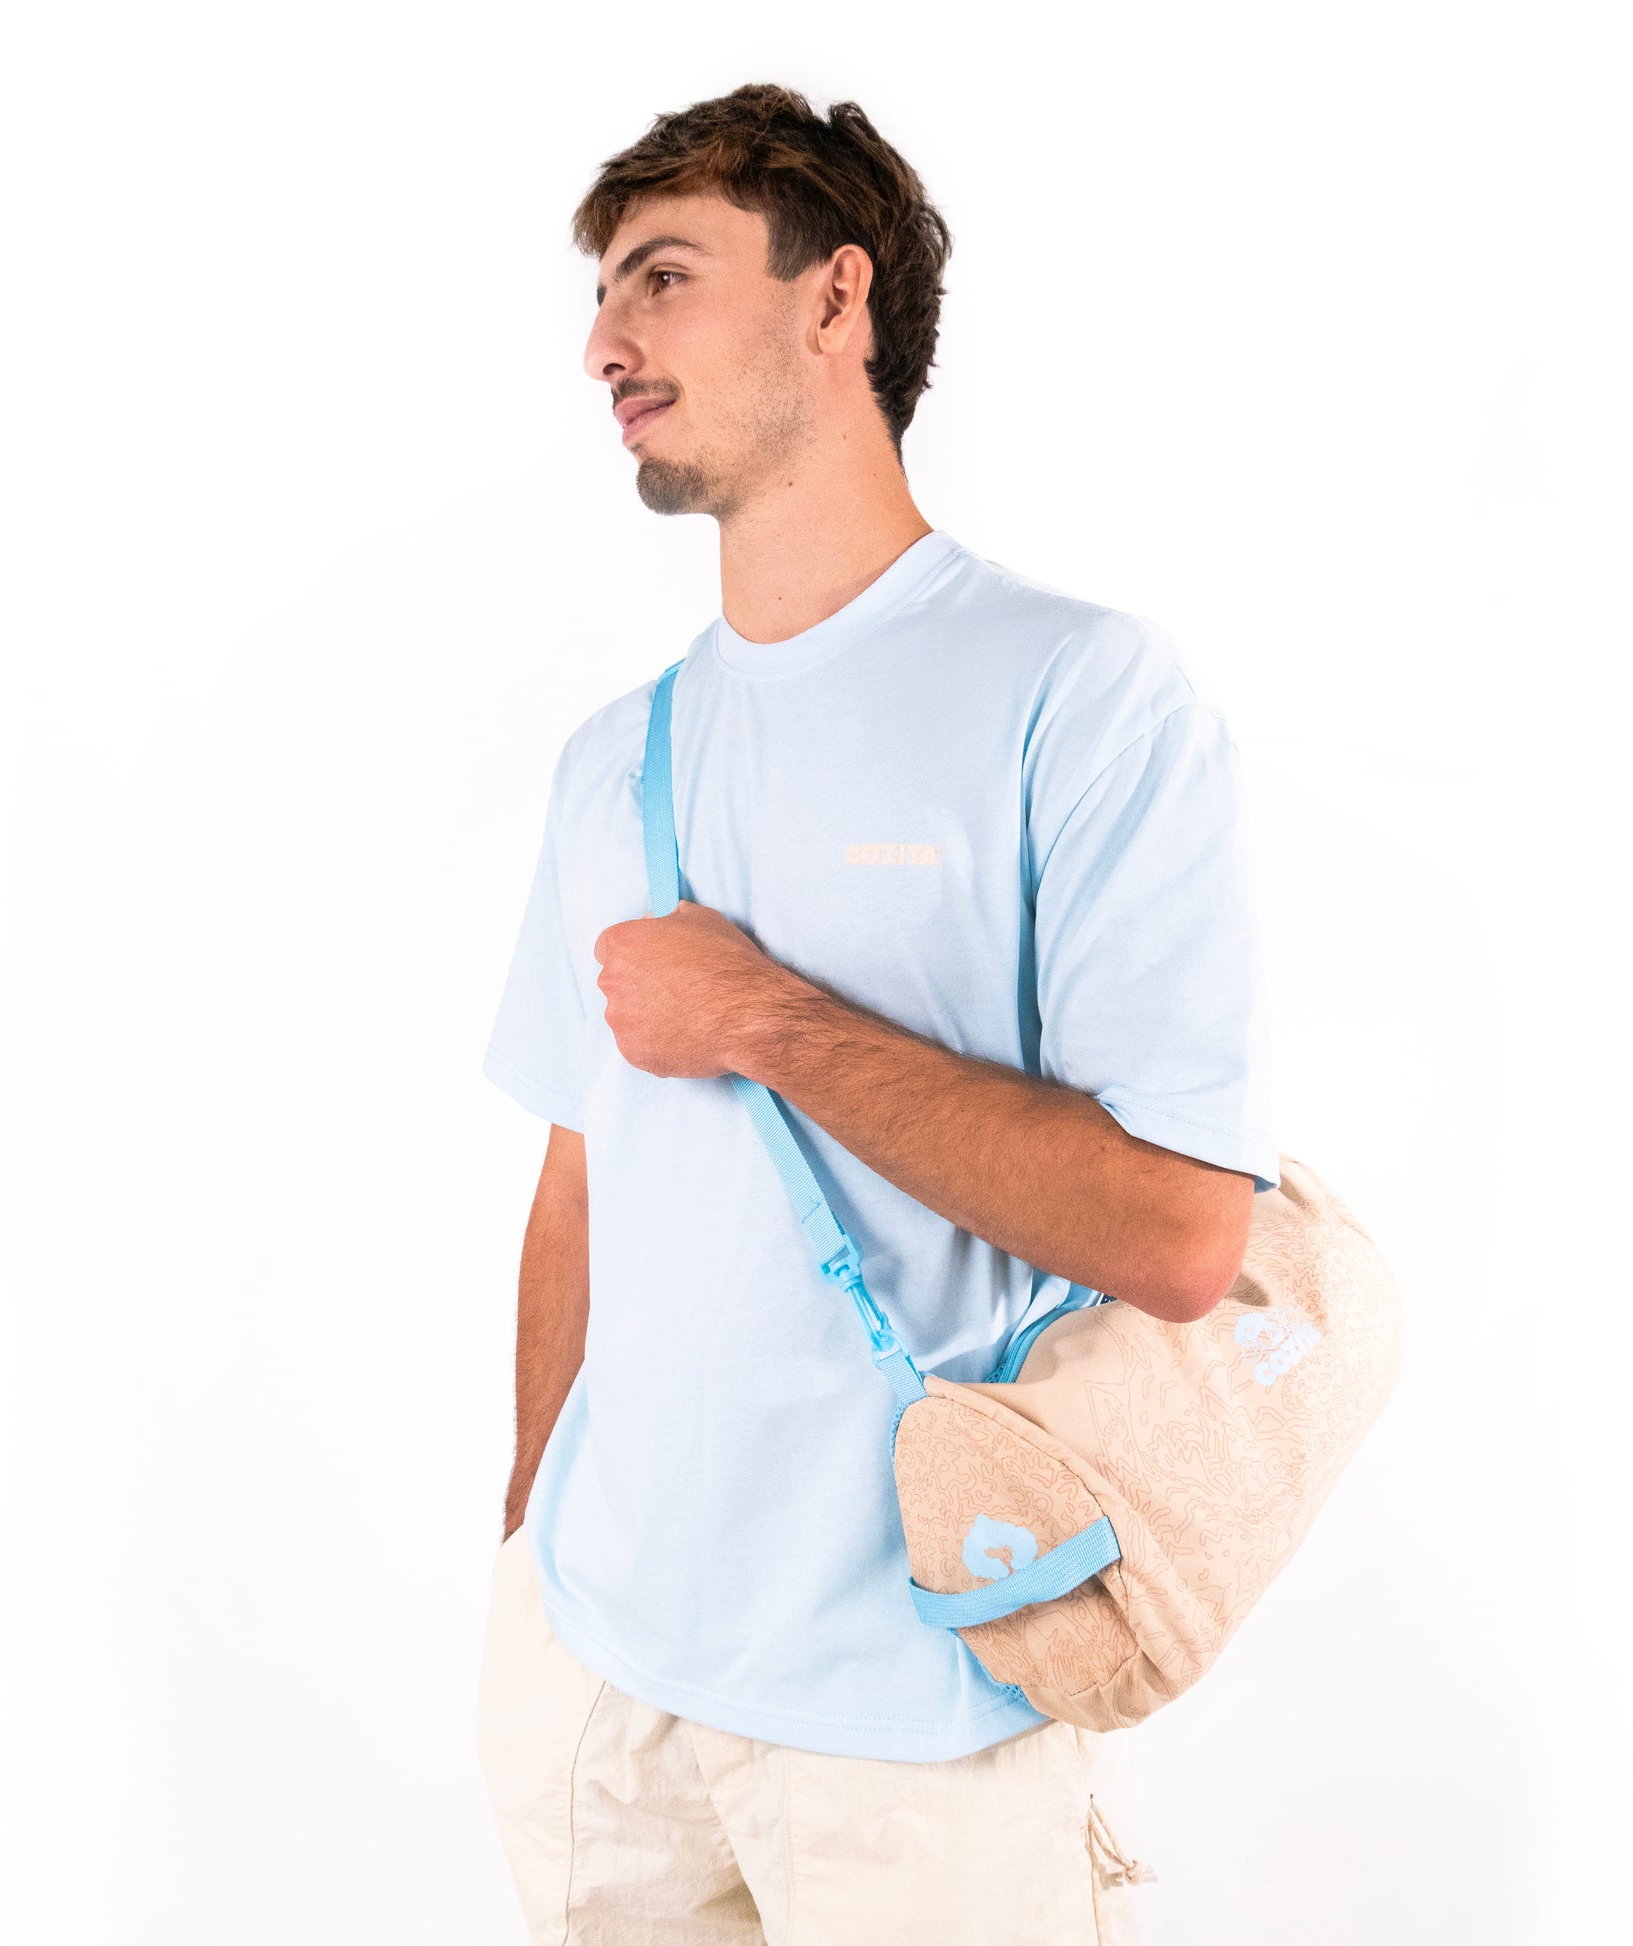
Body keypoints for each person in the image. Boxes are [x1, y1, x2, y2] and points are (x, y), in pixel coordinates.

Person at [476, 83, 1278, 1945]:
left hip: (918, 1717)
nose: (604, 344)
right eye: (602, 295)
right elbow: (580, 1175)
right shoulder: (615, 758)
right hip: (601, 1686)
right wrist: (526, 1545)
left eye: (662, 278)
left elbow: (1181, 1233)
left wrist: (769, 1020)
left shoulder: (1078, 694)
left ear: (835, 300)